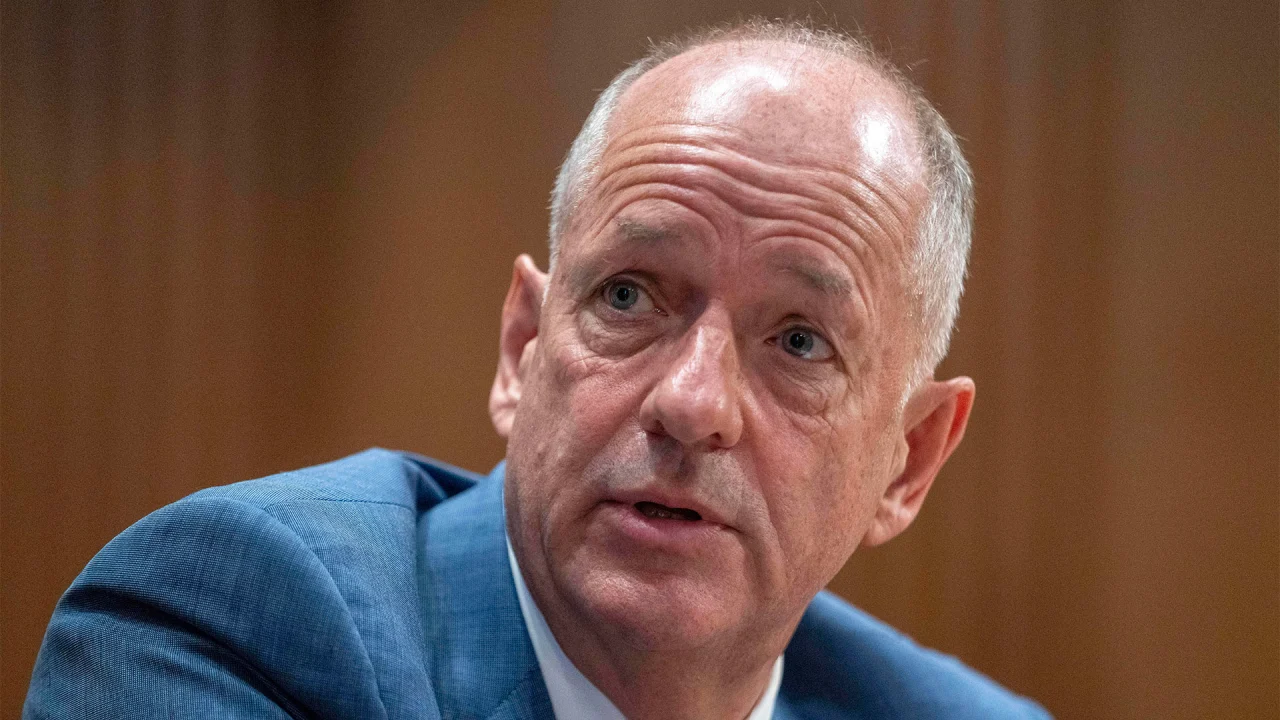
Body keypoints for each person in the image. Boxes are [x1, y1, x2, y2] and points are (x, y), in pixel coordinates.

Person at [25, 20, 1051, 720]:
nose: (691, 402)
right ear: (523, 348)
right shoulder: (238, 624)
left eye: (798, 343)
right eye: (629, 297)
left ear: (909, 460)